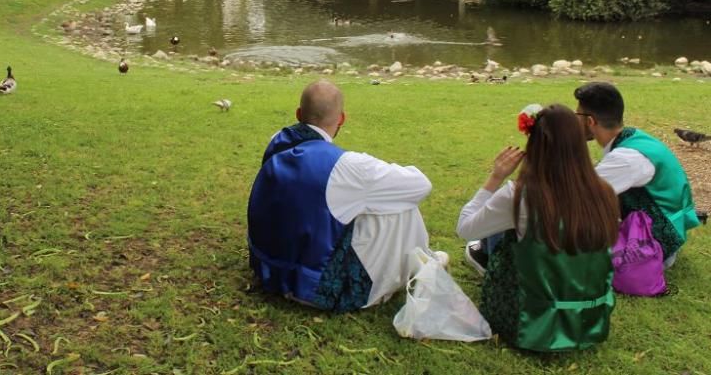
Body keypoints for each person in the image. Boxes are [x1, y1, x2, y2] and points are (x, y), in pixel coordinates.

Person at [247, 80, 438, 312]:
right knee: (402, 207)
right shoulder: (348, 166)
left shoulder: (278, 139)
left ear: (298, 114)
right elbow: (421, 185)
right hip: (311, 289)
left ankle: (423, 261)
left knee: (366, 202)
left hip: (266, 266)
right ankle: (422, 262)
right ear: (342, 119)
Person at [457, 104, 620, 352]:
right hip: (591, 320)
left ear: (534, 144)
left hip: (533, 325)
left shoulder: (521, 194)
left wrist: (495, 178)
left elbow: (465, 229)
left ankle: (480, 257)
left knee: (497, 234)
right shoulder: (604, 191)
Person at [574, 82, 699, 267]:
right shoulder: (633, 138)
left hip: (652, 246)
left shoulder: (625, 159)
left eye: (577, 115)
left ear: (590, 121)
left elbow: (574, 194)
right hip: (664, 231)